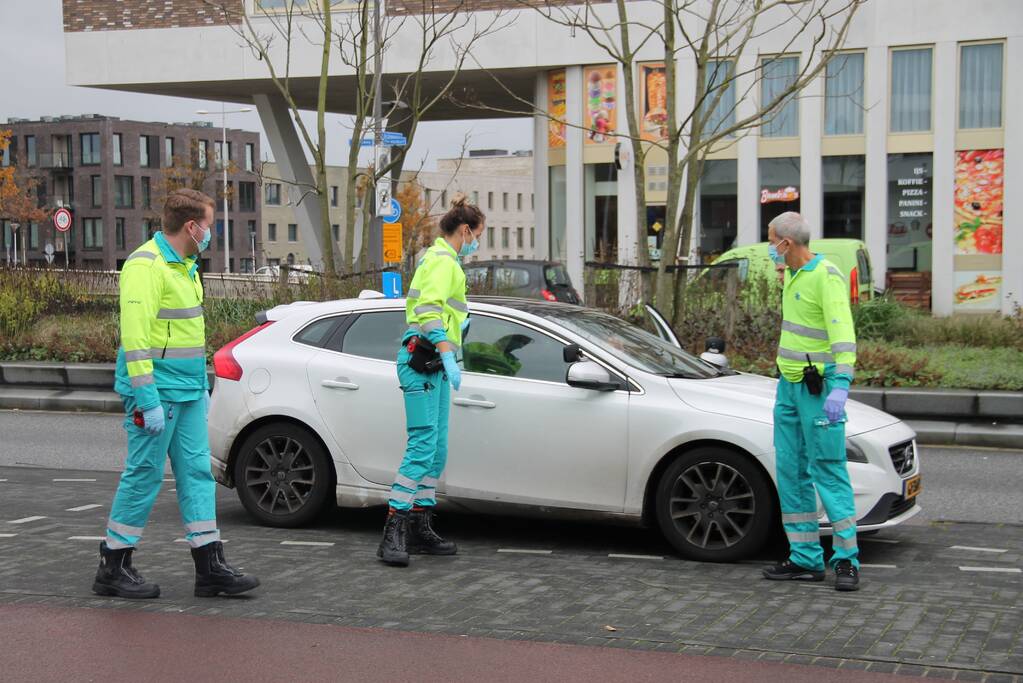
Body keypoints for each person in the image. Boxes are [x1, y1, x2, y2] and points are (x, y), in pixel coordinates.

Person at [92, 188, 260, 599]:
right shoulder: (145, 266)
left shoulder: (184, 265)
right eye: (209, 224)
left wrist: (200, 388)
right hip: (157, 393)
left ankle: (210, 566)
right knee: (144, 475)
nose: (211, 232)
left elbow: (183, 334)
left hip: (185, 392)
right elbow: (136, 338)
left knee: (198, 476)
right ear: (192, 226)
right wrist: (146, 398)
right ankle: (112, 565)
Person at [378, 194, 486, 567]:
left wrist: (452, 346)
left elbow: (442, 311)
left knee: (435, 449)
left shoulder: (439, 259)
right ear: (465, 230)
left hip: (434, 365)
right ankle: (394, 529)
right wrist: (444, 349)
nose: (476, 244)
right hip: (421, 361)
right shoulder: (443, 263)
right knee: (423, 446)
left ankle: (421, 525)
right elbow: (427, 311)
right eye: (477, 235)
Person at [761, 212, 860, 592]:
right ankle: (804, 558)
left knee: (829, 470)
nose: (770, 248)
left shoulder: (825, 275)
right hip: (789, 386)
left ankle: (847, 561)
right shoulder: (793, 275)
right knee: (791, 470)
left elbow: (843, 333)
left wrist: (842, 385)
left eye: (772, 241)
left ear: (787, 243)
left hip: (820, 390)